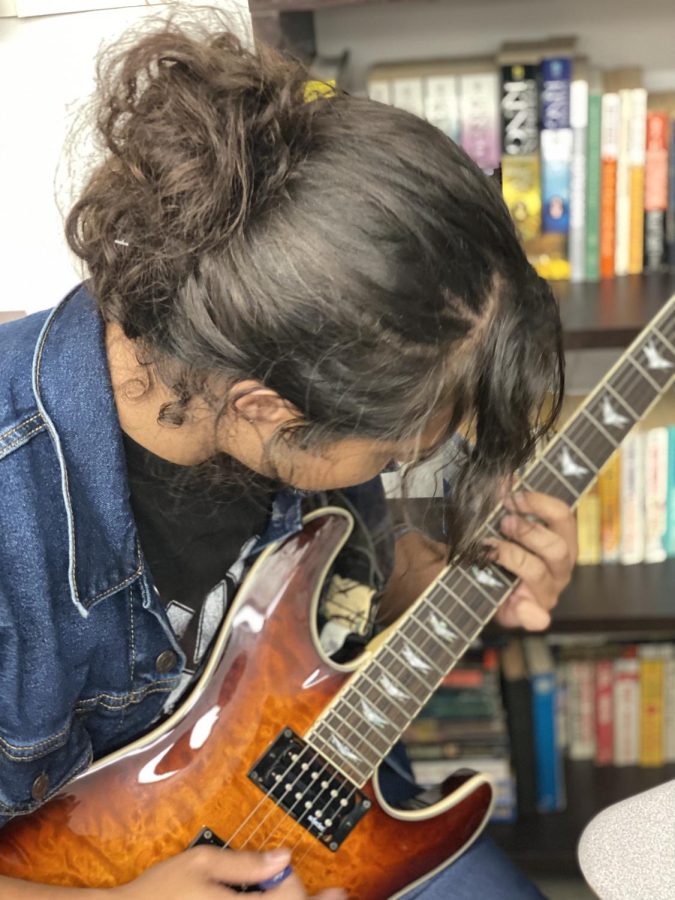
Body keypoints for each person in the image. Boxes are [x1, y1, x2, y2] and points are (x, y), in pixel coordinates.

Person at [0, 16, 577, 899]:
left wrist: (485, 569)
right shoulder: (15, 495)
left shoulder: (303, 349)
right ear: (266, 409)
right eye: (393, 448)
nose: (402, 462)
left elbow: (346, 602)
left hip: (317, 824)